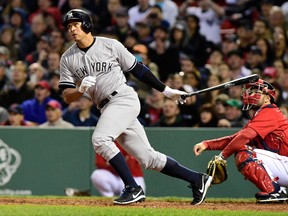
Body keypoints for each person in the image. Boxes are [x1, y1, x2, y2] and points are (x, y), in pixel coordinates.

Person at [59, 9, 212, 205]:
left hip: (122, 98)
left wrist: (167, 91)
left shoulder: (110, 45)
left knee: (100, 139)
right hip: (106, 107)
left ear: (87, 24)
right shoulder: (67, 58)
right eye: (69, 26)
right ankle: (197, 179)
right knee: (149, 159)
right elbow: (66, 95)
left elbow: (138, 70)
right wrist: (79, 90)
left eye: (76, 24)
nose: (72, 29)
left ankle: (132, 188)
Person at [193, 79, 288, 203]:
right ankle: (277, 191)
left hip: (285, 163)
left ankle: (275, 191)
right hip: (283, 164)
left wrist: (222, 156)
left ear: (267, 98)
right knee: (242, 148)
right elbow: (237, 138)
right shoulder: (260, 115)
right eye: (250, 91)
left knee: (244, 153)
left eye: (255, 92)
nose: (250, 94)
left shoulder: (270, 111)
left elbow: (244, 137)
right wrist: (207, 144)